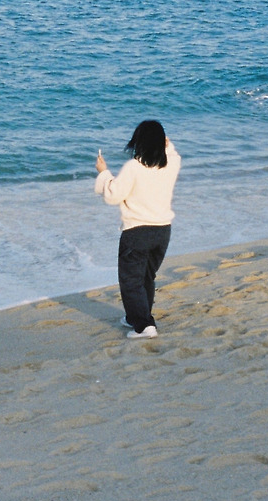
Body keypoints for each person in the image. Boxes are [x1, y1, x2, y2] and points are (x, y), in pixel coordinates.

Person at [95, 120, 180, 339]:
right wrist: (167, 144)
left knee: (131, 281)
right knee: (146, 277)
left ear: (138, 142)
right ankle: (137, 317)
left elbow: (113, 195)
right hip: (162, 231)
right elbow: (173, 153)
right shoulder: (171, 164)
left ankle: (144, 326)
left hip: (137, 232)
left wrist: (104, 173)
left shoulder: (134, 167)